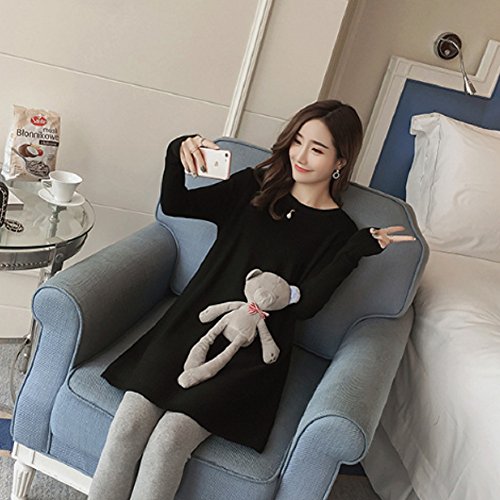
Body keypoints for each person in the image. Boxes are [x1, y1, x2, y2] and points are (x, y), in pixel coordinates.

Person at [88, 99, 415, 500]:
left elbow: (306, 306)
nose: (301, 156)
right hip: (192, 324)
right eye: (298, 141)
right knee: (127, 426)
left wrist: (354, 252)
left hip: (251, 353)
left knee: (169, 441)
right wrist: (177, 151)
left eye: (317, 149)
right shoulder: (254, 188)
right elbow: (176, 204)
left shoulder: (339, 233)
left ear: (340, 161)